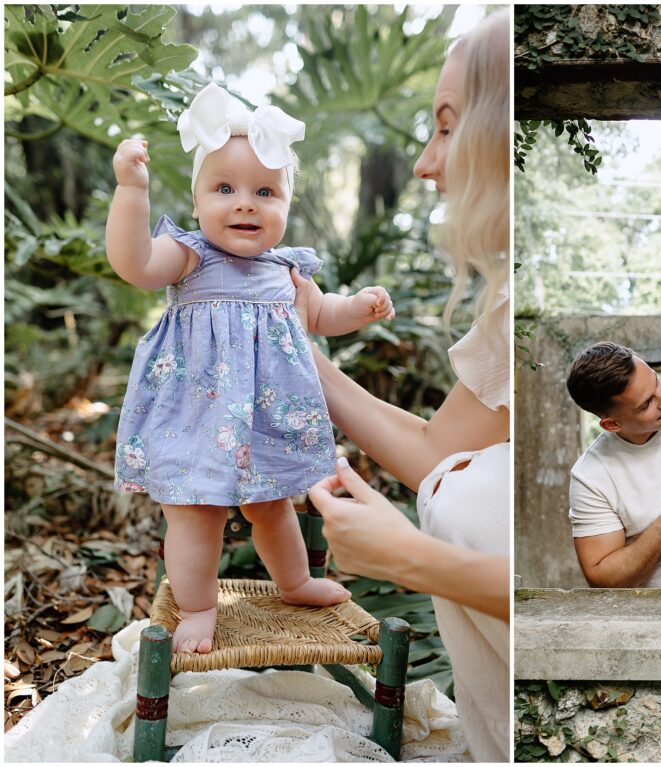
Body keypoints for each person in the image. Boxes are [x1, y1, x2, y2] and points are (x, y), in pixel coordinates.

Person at [107, 83, 394, 654]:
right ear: (195, 203)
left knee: (273, 507)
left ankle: (296, 581)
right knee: (195, 515)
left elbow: (321, 314)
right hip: (196, 416)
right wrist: (130, 189)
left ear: (286, 203)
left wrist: (357, 308)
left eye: (266, 191)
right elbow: (132, 262)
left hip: (266, 417)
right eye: (224, 188)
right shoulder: (187, 257)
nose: (245, 203)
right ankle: (197, 608)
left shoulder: (288, 270)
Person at [298, 10, 510, 762]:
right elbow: (438, 453)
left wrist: (406, 554)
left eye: (448, 129)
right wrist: (303, 356)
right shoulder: (510, 299)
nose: (424, 162)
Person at [565, 342, 661, 588]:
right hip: (654, 613)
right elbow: (601, 578)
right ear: (612, 425)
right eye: (645, 404)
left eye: (657, 382)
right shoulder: (591, 477)